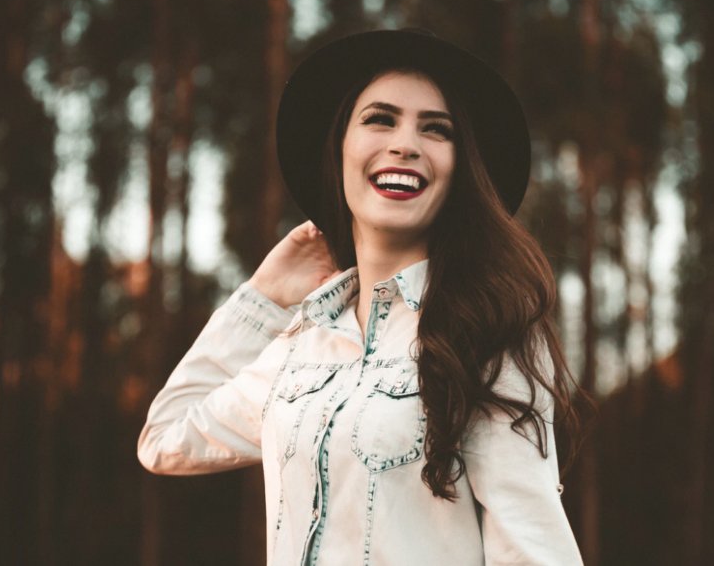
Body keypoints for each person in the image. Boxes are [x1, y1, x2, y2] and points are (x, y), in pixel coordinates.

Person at [137, 28, 593, 565]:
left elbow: (533, 550)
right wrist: (262, 299)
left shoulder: (488, 331)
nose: (404, 143)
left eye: (436, 129)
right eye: (380, 119)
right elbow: (167, 439)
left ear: (458, 171)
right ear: (340, 150)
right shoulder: (302, 343)